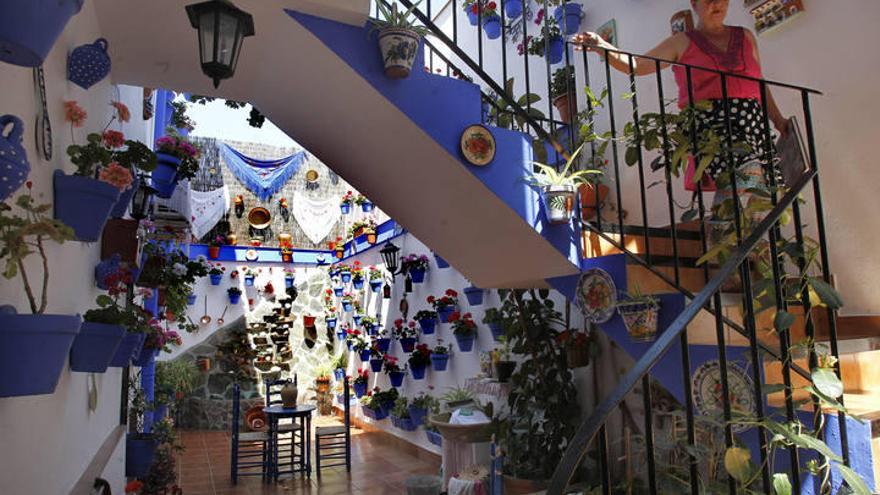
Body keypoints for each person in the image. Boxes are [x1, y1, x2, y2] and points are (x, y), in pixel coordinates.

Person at [571, 0, 790, 251]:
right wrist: (603, 47)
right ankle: (728, 255)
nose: (717, 4)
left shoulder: (746, 37)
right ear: (694, 4)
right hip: (713, 125)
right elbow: (638, 66)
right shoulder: (682, 42)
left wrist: (778, 120)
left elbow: (760, 84)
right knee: (745, 175)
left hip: (753, 123)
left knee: (762, 193)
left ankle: (743, 259)